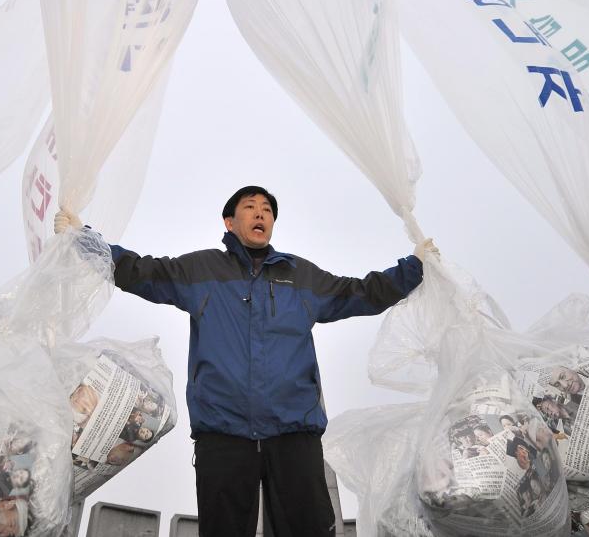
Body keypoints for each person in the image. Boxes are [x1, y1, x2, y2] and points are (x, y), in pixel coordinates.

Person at [55, 185, 430, 537]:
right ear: (230, 222)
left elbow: (360, 292)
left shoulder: (300, 276)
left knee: (310, 529)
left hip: (293, 434)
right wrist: (83, 240)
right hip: (223, 434)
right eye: (250, 207)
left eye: (267, 209)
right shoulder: (202, 270)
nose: (260, 213)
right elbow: (141, 270)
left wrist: (416, 267)